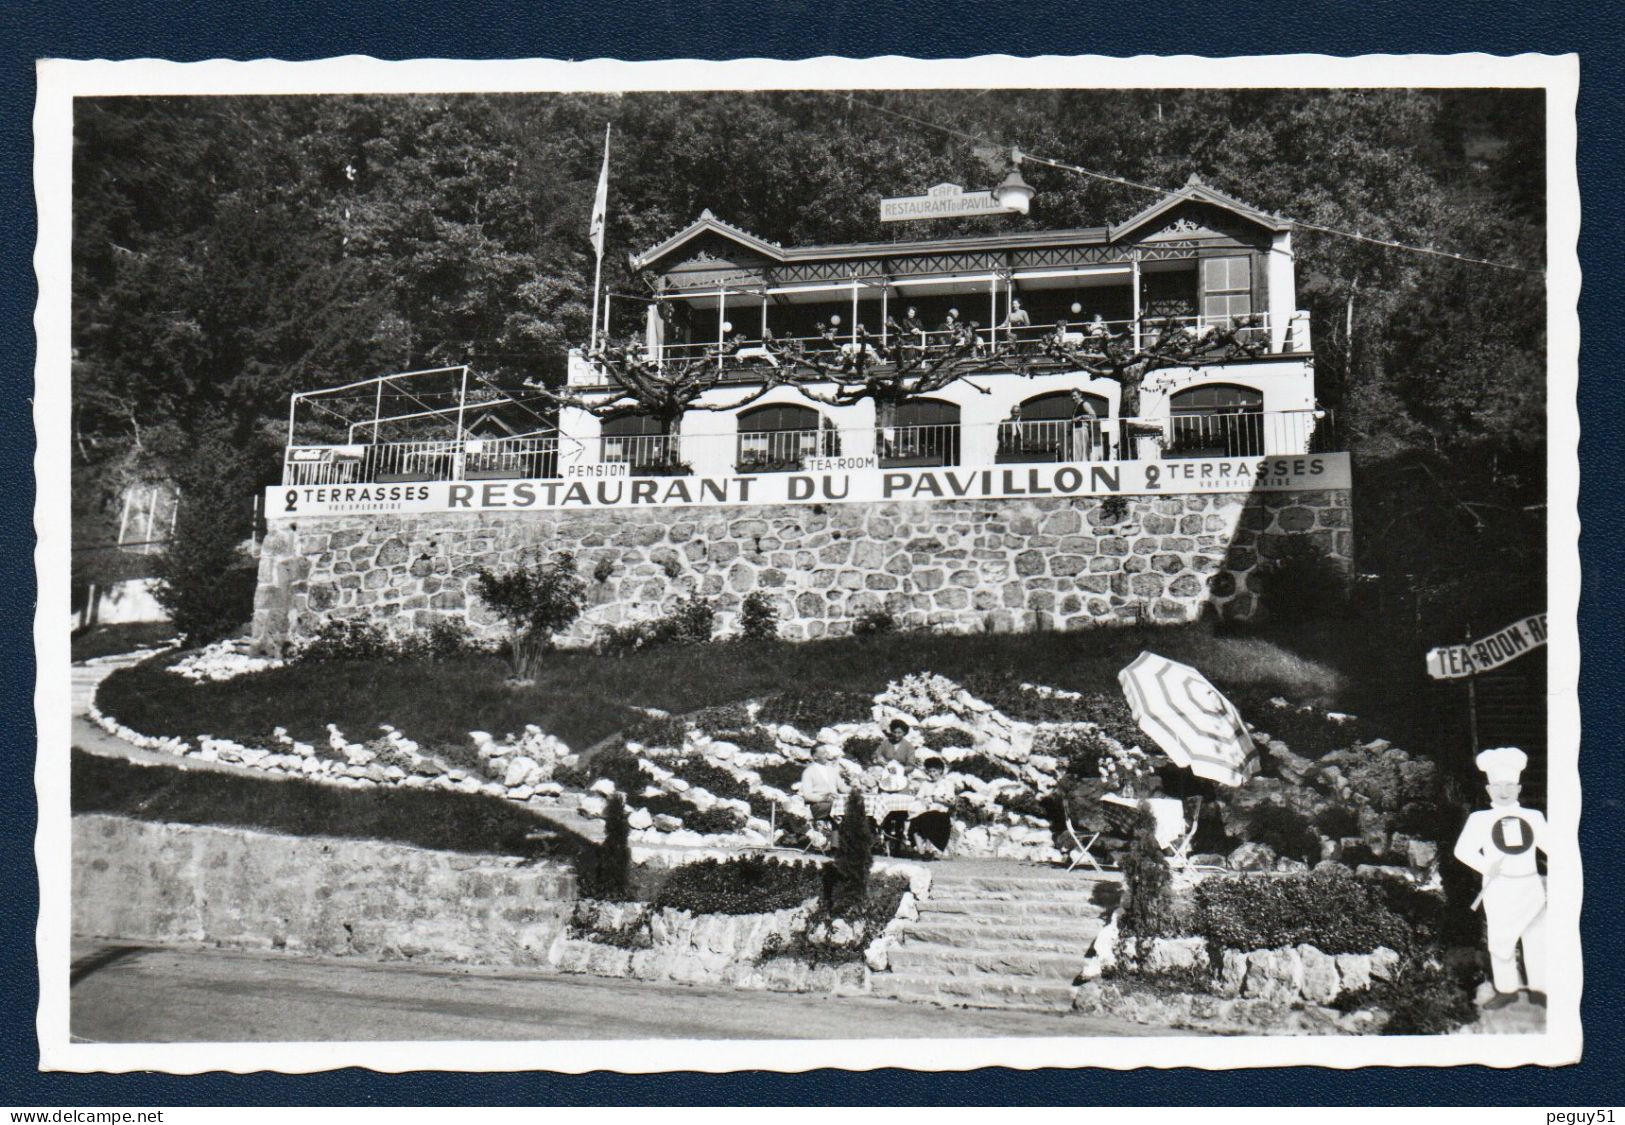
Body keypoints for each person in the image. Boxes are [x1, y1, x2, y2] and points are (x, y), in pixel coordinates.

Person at [1453, 746, 1548, 1009]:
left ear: (1518, 788)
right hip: (1499, 887)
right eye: (1497, 786)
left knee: (1536, 938)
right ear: (1488, 790)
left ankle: (1540, 988)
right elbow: (1462, 850)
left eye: (1509, 785)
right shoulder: (1479, 819)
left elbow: (1554, 847)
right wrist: (1485, 865)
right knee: (1500, 941)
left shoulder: (1533, 817)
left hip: (1530, 886)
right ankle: (1507, 989)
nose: (1503, 791)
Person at [908, 756, 959, 855]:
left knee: (928, 818)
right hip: (925, 810)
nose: (932, 774)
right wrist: (923, 801)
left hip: (941, 813)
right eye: (929, 771)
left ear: (940, 771)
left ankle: (928, 849)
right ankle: (921, 852)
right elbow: (918, 797)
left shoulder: (947, 784)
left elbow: (952, 802)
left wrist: (938, 800)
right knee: (915, 820)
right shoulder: (925, 784)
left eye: (934, 771)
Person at [798, 744, 846, 825]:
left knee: (852, 806)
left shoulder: (832, 769)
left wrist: (855, 788)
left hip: (834, 803)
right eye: (823, 753)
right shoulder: (808, 772)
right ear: (815, 757)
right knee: (845, 808)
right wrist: (823, 798)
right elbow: (807, 795)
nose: (827, 755)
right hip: (818, 806)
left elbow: (842, 787)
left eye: (826, 752)